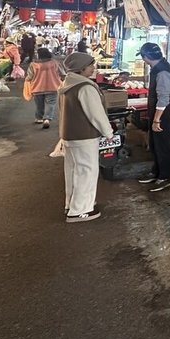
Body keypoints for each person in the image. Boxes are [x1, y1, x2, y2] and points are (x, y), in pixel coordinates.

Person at [58, 52, 113, 222]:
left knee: (73, 171)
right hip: (84, 136)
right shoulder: (85, 87)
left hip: (69, 135)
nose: (93, 68)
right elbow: (95, 114)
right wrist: (108, 132)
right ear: (82, 69)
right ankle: (80, 210)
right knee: (87, 172)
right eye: (91, 65)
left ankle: (72, 204)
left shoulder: (68, 83)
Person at [137, 42, 170, 192]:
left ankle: (165, 177)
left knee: (163, 146)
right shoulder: (157, 69)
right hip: (158, 114)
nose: (143, 61)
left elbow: (164, 98)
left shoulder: (163, 72)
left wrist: (156, 119)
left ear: (147, 57)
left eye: (143, 57)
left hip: (164, 117)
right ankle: (156, 172)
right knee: (155, 145)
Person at [25, 48, 64, 129]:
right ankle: (47, 118)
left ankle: (39, 118)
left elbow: (29, 76)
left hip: (37, 87)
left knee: (39, 105)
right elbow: (62, 73)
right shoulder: (54, 63)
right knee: (51, 104)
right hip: (53, 87)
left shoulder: (33, 65)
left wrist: (27, 80)